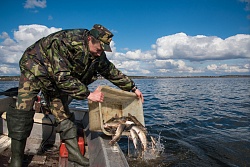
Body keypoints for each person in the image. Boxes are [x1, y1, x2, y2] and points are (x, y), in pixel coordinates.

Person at [6, 24, 144, 167]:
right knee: (22, 111)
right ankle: (16, 158)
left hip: (56, 80)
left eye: (103, 50)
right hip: (34, 69)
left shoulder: (98, 54)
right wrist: (88, 94)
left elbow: (110, 71)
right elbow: (62, 77)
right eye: (98, 49)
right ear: (90, 39)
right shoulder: (64, 42)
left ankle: (74, 155)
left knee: (63, 114)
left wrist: (133, 88)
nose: (99, 53)